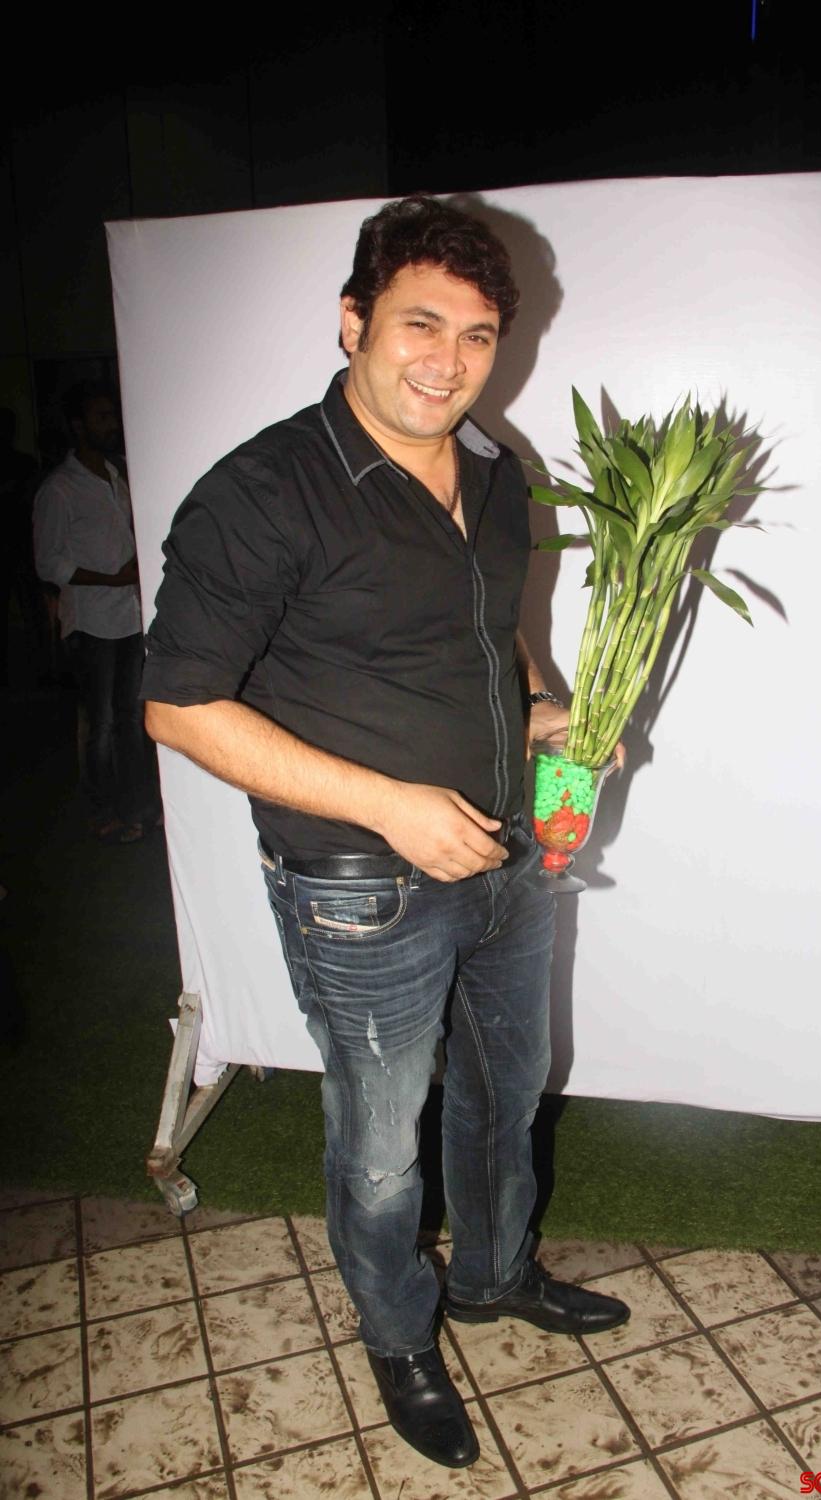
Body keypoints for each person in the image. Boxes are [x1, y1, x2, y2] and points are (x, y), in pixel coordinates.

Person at [141, 195, 629, 1468]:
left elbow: (491, 629)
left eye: (477, 335)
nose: (448, 360)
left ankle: (496, 1275)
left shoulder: (496, 472)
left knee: (508, 1090)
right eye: (420, 324)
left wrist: (551, 714)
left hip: (507, 857)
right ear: (353, 321)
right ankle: (401, 1333)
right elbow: (179, 707)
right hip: (358, 884)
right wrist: (388, 804)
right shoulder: (263, 492)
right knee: (378, 1147)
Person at [33, 383, 157, 842]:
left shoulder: (117, 474)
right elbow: (49, 563)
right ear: (78, 426)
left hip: (128, 615)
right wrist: (113, 579)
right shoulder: (59, 489)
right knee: (101, 724)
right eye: (101, 417)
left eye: (111, 415)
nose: (111, 424)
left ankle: (137, 806)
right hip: (91, 622)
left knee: (132, 719)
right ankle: (103, 810)